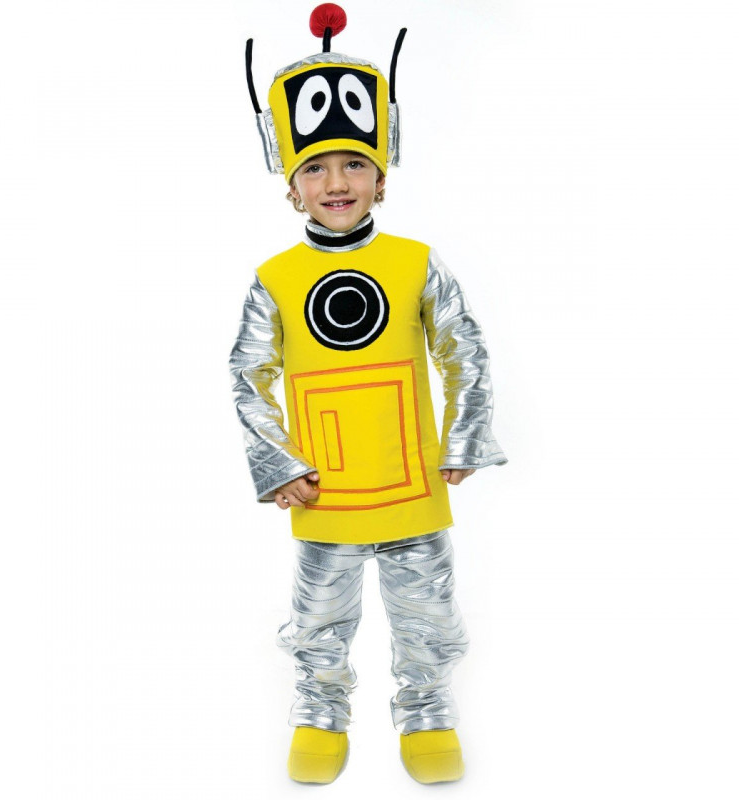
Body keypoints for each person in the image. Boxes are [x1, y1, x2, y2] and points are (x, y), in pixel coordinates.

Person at [229, 5, 507, 785]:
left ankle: (427, 709)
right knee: (319, 615)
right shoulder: (276, 280)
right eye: (315, 168)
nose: (336, 182)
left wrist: (463, 437)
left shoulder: (417, 262)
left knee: (428, 611)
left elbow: (463, 349)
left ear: (381, 174)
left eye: (353, 164)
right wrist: (277, 462)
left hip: (412, 482)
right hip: (324, 491)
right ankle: (319, 711)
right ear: (291, 187)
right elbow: (248, 374)